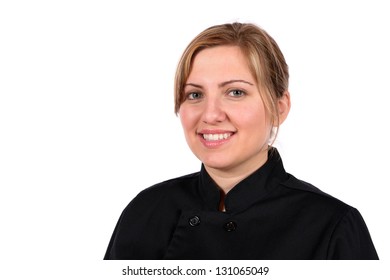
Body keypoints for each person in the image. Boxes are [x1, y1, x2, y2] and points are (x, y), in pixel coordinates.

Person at [104, 22, 378, 260]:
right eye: (195, 95)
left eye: (235, 92)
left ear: (279, 107)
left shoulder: (332, 226)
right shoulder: (146, 211)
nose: (210, 115)